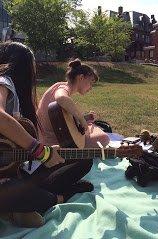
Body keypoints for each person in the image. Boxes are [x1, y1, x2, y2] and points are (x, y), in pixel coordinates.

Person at [0, 42, 93, 228]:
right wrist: (39, 150)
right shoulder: (3, 82)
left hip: (14, 170)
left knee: (84, 158)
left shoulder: (16, 94)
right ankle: (57, 197)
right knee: (26, 194)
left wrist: (43, 154)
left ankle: (21, 205)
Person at [37, 58, 109, 148]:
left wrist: (84, 118)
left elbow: (64, 120)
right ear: (81, 78)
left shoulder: (59, 85)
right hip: (54, 143)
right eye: (91, 83)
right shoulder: (63, 88)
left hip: (56, 136)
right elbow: (61, 98)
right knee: (104, 138)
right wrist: (81, 119)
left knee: (94, 130)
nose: (91, 88)